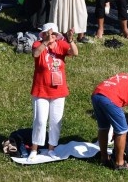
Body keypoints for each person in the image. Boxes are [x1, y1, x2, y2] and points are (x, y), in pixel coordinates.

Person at [28, 23, 77, 160]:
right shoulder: (38, 44)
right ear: (43, 34)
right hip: (41, 90)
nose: (52, 37)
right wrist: (45, 42)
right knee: (40, 121)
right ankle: (34, 148)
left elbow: (75, 53)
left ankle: (51, 148)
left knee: (56, 121)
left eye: (54, 34)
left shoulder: (61, 45)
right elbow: (35, 54)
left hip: (59, 91)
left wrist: (71, 40)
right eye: (49, 34)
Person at [91, 73, 128, 170]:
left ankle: (104, 158)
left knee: (103, 128)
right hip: (109, 99)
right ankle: (120, 163)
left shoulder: (126, 76)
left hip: (96, 94)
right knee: (122, 130)